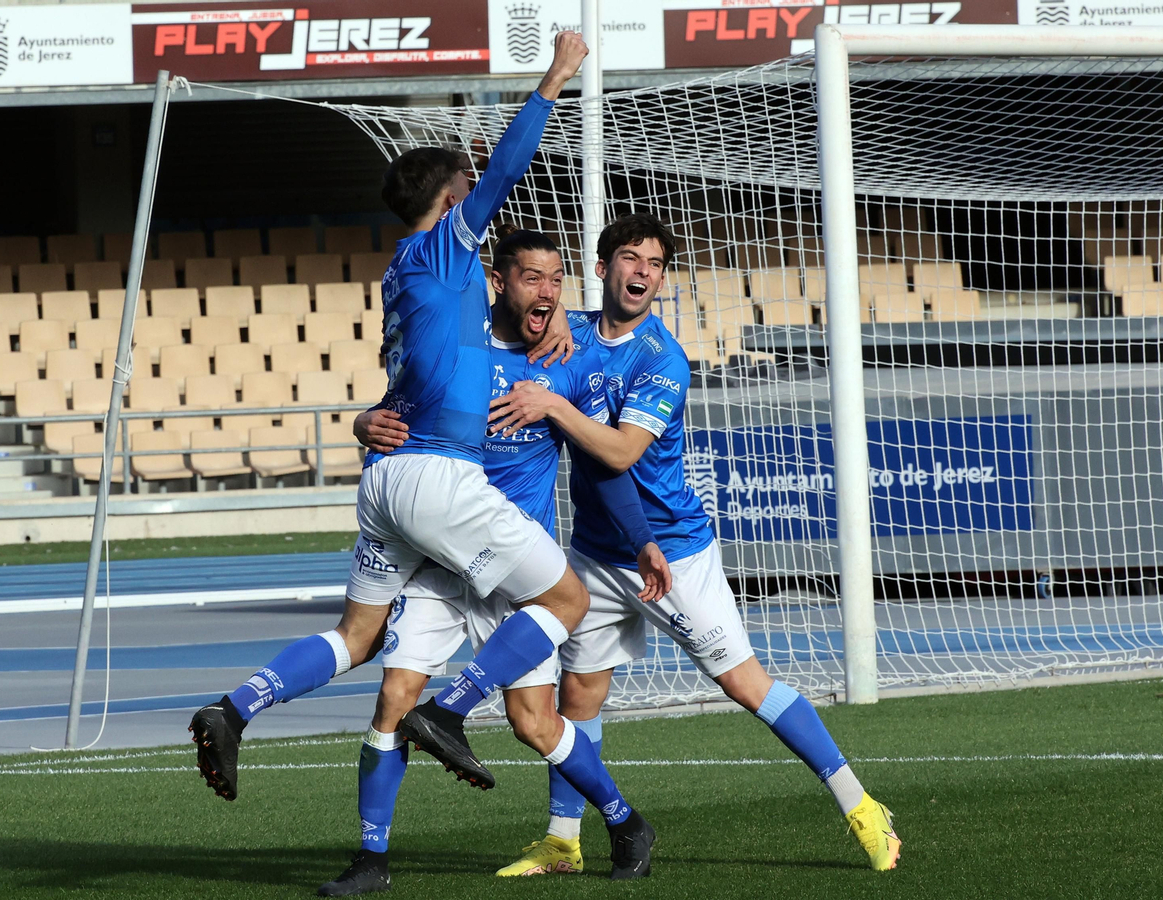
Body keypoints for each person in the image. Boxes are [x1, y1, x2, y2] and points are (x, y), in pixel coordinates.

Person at [187, 33, 656, 892]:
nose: (537, 288)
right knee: (568, 599)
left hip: (395, 493)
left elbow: (419, 374)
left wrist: (372, 418)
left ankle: (239, 708)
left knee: (367, 646)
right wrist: (553, 79)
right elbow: (508, 167)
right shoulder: (445, 251)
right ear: (456, 210)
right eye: (525, 273)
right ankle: (448, 717)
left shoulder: (417, 285)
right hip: (448, 494)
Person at [469, 212, 899, 873]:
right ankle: (562, 841)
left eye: (657, 264)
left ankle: (861, 805)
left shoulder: (662, 359)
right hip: (593, 554)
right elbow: (516, 325)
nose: (644, 271)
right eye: (632, 258)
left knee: (745, 685)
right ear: (604, 266)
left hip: (673, 554)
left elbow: (619, 451)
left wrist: (554, 406)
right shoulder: (569, 331)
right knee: (576, 700)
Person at [316, 227, 670, 894]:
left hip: (517, 570)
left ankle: (626, 822)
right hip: (442, 563)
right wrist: (365, 423)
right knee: (394, 698)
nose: (547, 292)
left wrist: (641, 537)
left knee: (533, 722)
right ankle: (371, 859)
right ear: (497, 283)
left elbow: (605, 463)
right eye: (533, 278)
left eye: (557, 280)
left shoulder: (566, 364)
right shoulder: (457, 349)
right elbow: (397, 413)